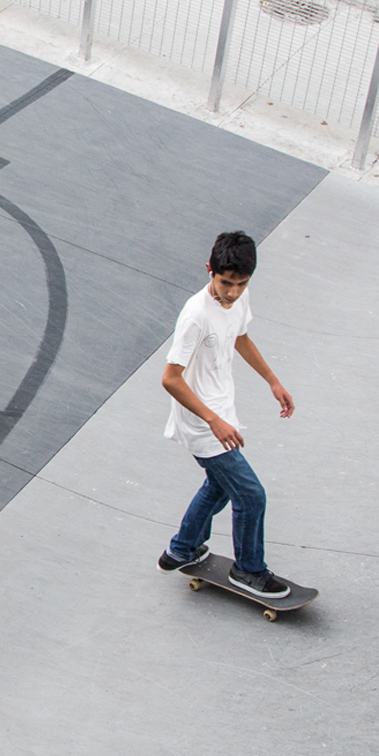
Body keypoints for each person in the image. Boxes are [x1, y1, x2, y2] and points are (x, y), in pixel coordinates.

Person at [156, 230, 296, 596]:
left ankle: (181, 548)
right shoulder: (195, 316)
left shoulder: (239, 298)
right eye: (225, 283)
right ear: (209, 270)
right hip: (203, 423)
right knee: (251, 496)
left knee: (219, 487)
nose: (232, 292)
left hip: (222, 415)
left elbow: (240, 336)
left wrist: (272, 380)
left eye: (241, 284)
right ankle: (249, 569)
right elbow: (170, 379)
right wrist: (213, 421)